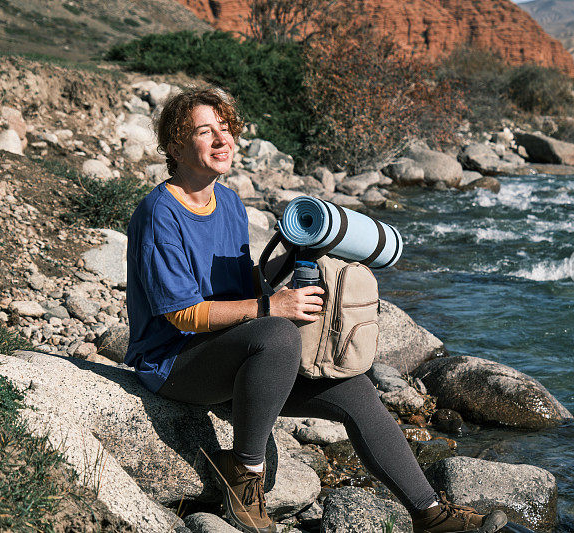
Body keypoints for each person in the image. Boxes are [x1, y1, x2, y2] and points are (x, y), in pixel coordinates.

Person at [124, 87, 508, 533]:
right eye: (205, 131)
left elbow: (238, 284)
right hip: (174, 362)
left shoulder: (227, 201)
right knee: (279, 332)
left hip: (234, 356)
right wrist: (272, 305)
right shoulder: (160, 212)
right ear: (174, 145)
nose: (222, 140)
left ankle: (429, 513)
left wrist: (293, 257)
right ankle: (243, 475)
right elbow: (183, 314)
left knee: (357, 390)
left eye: (226, 130)